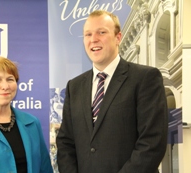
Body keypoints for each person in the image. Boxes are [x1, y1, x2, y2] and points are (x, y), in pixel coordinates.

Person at [56, 10, 168, 173]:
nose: (93, 39)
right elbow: (66, 142)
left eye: (102, 32)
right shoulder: (74, 86)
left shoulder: (145, 78)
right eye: (88, 34)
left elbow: (152, 142)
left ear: (118, 37)